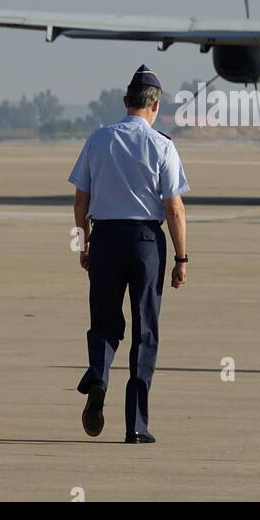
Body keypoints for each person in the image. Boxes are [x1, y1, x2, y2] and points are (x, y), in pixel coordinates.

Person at [69, 66, 189, 443]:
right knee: (145, 331)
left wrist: (85, 240)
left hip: (105, 238)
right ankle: (136, 424)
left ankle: (99, 376)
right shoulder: (162, 145)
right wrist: (181, 258)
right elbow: (174, 208)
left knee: (104, 322)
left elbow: (81, 199)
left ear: (125, 102)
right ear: (156, 105)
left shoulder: (98, 139)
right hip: (145, 242)